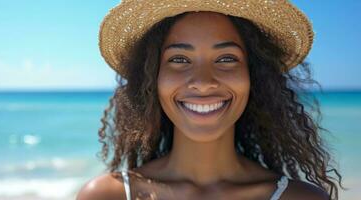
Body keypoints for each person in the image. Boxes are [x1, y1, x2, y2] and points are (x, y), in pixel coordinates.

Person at [78, 1, 343, 199]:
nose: (204, 82)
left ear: (254, 76)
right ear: (153, 78)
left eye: (226, 59)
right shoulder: (107, 196)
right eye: (179, 60)